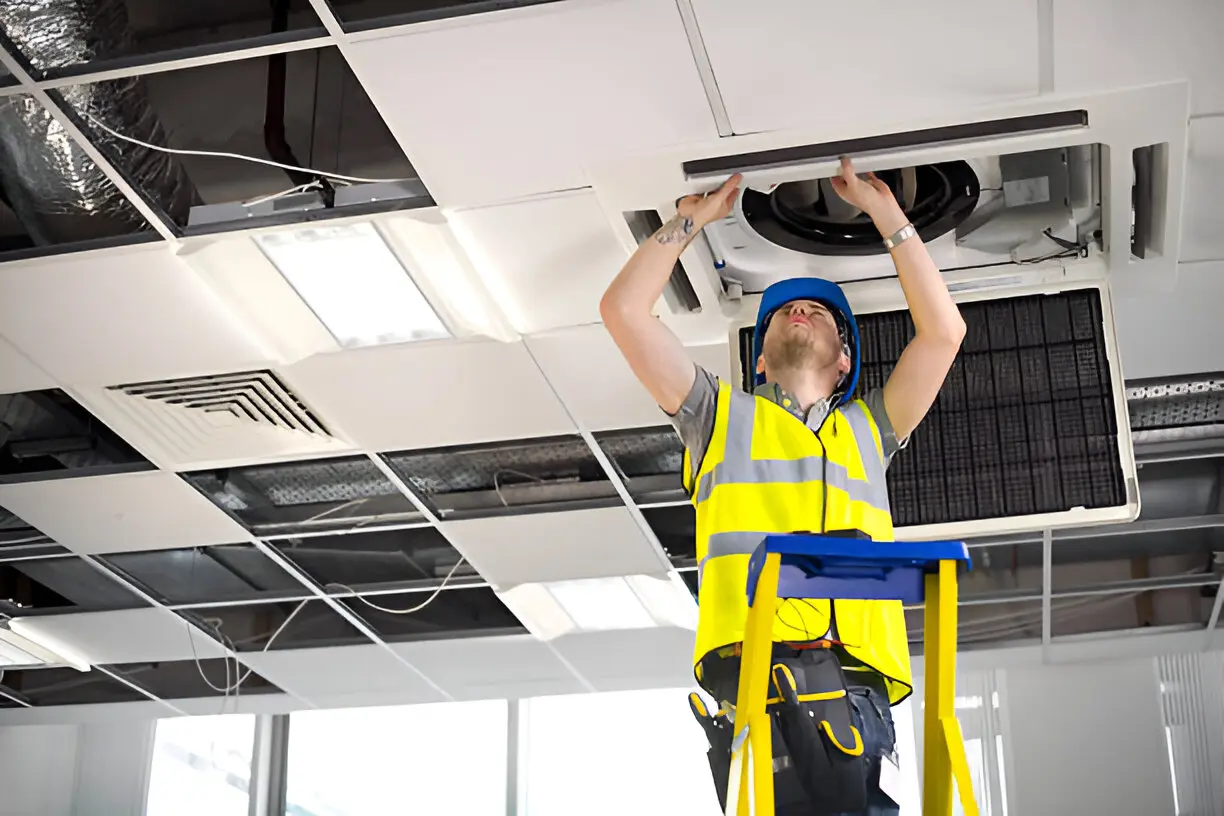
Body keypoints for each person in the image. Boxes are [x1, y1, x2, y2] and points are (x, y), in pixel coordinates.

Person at [599, 157, 966, 815]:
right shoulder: (717, 417)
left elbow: (944, 334)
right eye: (784, 313)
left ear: (846, 359)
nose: (801, 309)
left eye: (822, 314)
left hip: (857, 686)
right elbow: (624, 311)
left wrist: (887, 214)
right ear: (759, 357)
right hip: (760, 670)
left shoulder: (869, 430)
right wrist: (687, 222)